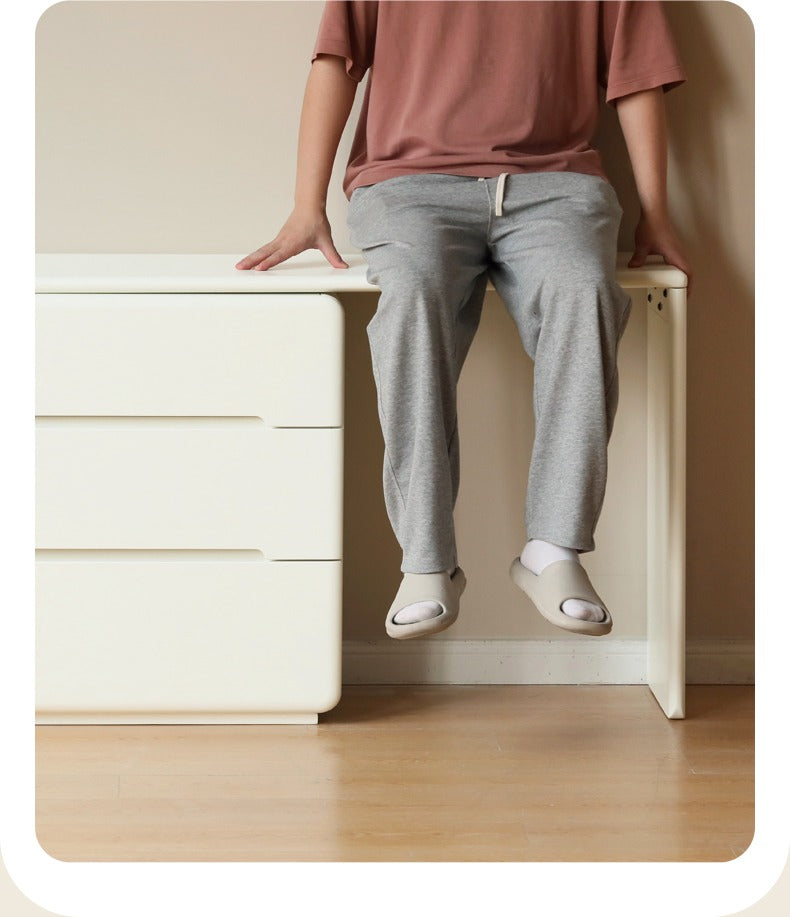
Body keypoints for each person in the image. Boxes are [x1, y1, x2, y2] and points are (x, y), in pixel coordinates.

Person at [236, 0, 692, 641]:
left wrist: (658, 214)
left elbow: (637, 77)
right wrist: (305, 205)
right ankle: (425, 561)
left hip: (554, 184)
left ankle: (553, 550)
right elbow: (335, 62)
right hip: (407, 186)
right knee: (411, 306)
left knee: (584, 294)